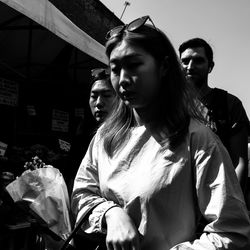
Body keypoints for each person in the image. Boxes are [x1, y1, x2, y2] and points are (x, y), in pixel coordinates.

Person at [71, 16, 250, 250]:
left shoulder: (198, 140)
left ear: (163, 67)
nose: (123, 79)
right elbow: (81, 194)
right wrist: (111, 214)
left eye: (134, 65)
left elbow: (231, 233)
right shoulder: (105, 135)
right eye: (115, 69)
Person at [179, 38, 250, 194]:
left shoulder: (230, 104)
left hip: (217, 196)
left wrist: (232, 203)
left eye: (198, 61)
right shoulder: (169, 104)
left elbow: (240, 163)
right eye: (185, 61)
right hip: (176, 197)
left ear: (210, 67)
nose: (190, 67)